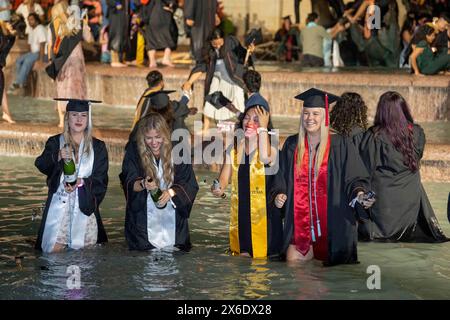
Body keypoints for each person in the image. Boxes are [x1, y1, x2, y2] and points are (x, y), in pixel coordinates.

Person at [272, 88, 373, 266]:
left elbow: (355, 177)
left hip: (332, 226)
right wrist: (279, 193)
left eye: (315, 114)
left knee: (325, 280)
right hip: (300, 226)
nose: (310, 118)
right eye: (306, 113)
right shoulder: (292, 145)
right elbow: (281, 177)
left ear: (325, 116)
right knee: (293, 266)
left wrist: (359, 194)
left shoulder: (340, 144)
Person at [358, 91, 448, 242]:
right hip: (411, 203)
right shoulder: (418, 133)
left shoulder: (374, 136)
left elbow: (365, 169)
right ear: (404, 110)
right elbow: (417, 158)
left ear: (382, 111)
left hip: (385, 206)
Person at [211, 93, 282, 259]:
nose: (250, 123)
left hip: (266, 221)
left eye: (256, 119)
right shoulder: (233, 148)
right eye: (247, 118)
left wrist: (263, 128)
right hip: (241, 219)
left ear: (265, 123)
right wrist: (218, 188)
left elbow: (265, 158)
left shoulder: (272, 149)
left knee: (264, 265)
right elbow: (223, 179)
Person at [34, 98, 109, 253]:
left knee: (84, 256)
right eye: (74, 115)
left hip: (84, 205)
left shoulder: (98, 147)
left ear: (88, 119)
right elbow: (41, 164)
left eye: (83, 115)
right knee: (54, 251)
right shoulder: (55, 142)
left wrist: (81, 181)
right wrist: (58, 156)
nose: (79, 119)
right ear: (67, 118)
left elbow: (101, 180)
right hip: (59, 207)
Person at [121, 112, 199, 251]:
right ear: (142, 137)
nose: (154, 142)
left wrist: (171, 192)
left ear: (165, 134)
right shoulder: (134, 151)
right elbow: (129, 181)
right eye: (148, 138)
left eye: (158, 137)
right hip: (142, 227)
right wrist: (144, 184)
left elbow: (189, 182)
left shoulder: (178, 150)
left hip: (175, 227)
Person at [182, 28, 255, 135]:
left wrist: (250, 50)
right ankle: (206, 128)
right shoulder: (208, 50)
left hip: (232, 77)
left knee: (238, 101)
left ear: (223, 39)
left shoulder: (231, 42)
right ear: (211, 42)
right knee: (210, 100)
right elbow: (201, 67)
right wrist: (189, 82)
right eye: (215, 44)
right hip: (216, 77)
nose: (218, 46)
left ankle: (244, 126)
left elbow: (242, 53)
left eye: (220, 43)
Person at [46, 1, 93, 128]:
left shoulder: (52, 26)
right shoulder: (78, 23)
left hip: (60, 62)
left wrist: (51, 61)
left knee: (61, 90)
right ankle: (77, 120)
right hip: (77, 60)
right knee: (77, 89)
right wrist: (87, 25)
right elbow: (89, 39)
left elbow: (50, 45)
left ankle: (62, 121)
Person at [132, 70, 197, 131]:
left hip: (140, 131)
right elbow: (176, 109)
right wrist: (186, 93)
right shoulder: (157, 96)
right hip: (143, 134)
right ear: (161, 82)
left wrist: (187, 111)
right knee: (178, 118)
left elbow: (168, 108)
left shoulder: (148, 93)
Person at [8, 13, 47, 93]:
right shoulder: (31, 30)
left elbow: (42, 45)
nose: (30, 22)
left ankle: (18, 83)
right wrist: (28, 55)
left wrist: (40, 60)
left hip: (40, 53)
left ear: (36, 20)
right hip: (32, 53)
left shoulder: (40, 28)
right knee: (18, 60)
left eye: (32, 20)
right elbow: (29, 45)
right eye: (28, 20)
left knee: (27, 61)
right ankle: (22, 81)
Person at [141, 0, 178, 68]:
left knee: (151, 39)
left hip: (149, 14)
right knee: (170, 35)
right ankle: (166, 58)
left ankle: (152, 62)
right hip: (162, 14)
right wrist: (171, 4)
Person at [184, 0, 219, 64]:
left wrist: (215, 14)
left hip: (208, 15)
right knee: (199, 40)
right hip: (198, 16)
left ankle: (206, 62)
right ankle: (200, 63)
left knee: (208, 38)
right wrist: (189, 15)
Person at [0, 20, 16, 123]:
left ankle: (6, 113)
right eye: (9, 23)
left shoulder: (8, 36)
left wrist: (12, 35)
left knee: (2, 89)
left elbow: (6, 49)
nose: (10, 25)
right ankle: (6, 114)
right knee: (2, 89)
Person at [107, 0, 129, 67]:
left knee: (122, 35)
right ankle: (115, 60)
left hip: (122, 13)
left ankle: (121, 60)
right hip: (116, 13)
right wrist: (116, 4)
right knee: (116, 34)